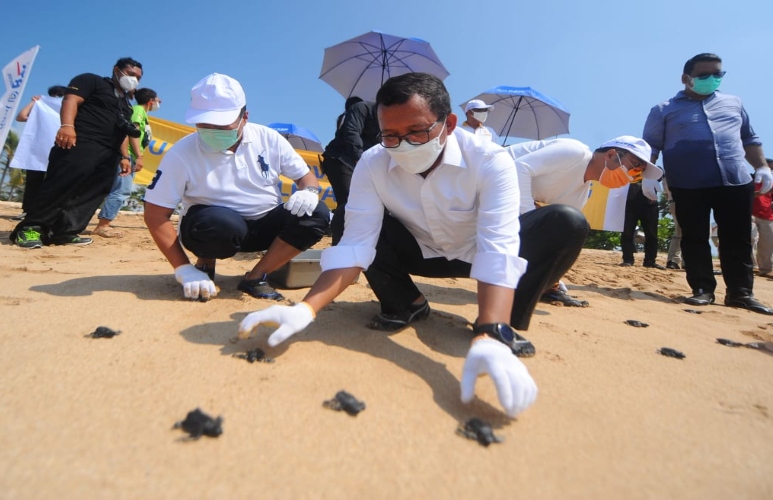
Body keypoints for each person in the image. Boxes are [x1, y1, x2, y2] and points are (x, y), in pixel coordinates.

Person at [238, 73, 590, 418]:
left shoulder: (491, 160)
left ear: (449, 124)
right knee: (346, 219)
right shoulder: (373, 163)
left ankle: (500, 325)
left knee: (566, 222)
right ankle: (407, 304)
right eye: (390, 135)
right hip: (420, 253)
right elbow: (356, 244)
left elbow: (498, 246)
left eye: (417, 132)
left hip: (475, 253)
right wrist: (304, 310)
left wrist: (489, 332)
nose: (403, 145)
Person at [143, 73, 330, 301]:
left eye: (221, 124)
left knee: (317, 212)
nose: (212, 129)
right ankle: (204, 264)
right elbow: (155, 214)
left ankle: (256, 276)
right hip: (213, 230)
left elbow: (306, 177)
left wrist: (309, 191)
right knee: (220, 223)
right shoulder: (182, 153)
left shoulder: (270, 139)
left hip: (265, 227)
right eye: (204, 123)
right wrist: (182, 267)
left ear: (245, 117)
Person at [643, 53, 773, 315]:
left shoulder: (734, 103)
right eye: (704, 76)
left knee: (737, 238)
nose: (712, 79)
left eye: (718, 74)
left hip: (734, 180)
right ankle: (702, 289)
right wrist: (648, 175)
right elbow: (650, 146)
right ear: (686, 78)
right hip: (687, 182)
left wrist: (761, 167)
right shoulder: (663, 110)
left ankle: (741, 293)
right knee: (694, 237)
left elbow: (749, 138)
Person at [506, 136, 665, 306]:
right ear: (611, 155)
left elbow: (553, 237)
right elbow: (517, 168)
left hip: (496, 208)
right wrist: (531, 216)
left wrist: (551, 277)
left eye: (636, 176)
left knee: (569, 224)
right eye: (632, 168)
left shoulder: (579, 197)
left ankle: (546, 287)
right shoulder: (575, 152)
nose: (629, 178)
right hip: (479, 180)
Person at [10, 57, 143, 249]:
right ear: (116, 70)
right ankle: (31, 228)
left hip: (109, 153)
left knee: (92, 192)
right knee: (61, 185)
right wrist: (67, 126)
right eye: (131, 74)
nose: (134, 79)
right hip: (80, 143)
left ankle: (65, 231)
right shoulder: (91, 81)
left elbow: (123, 132)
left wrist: (124, 157)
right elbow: (71, 100)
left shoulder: (125, 103)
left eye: (138, 77)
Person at [90, 88, 160, 238]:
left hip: (127, 155)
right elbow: (130, 133)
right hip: (126, 155)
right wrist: (136, 156)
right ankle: (103, 225)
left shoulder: (141, 113)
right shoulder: (138, 111)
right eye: (157, 100)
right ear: (150, 101)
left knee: (118, 189)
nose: (159, 103)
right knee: (122, 189)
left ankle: (103, 222)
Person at [320, 98, 380, 244]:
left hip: (362, 163)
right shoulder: (361, 108)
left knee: (367, 202)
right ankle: (340, 246)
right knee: (348, 202)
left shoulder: (391, 120)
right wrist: (359, 158)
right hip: (341, 160)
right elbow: (352, 132)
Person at [11, 85, 66, 221]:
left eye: (58, 96)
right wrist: (34, 102)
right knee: (33, 181)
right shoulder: (40, 109)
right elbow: (21, 116)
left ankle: (48, 211)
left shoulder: (67, 111)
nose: (55, 99)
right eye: (52, 96)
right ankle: (28, 211)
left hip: (60, 150)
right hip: (38, 151)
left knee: (55, 182)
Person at [620, 173, 664, 269]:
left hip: (649, 205)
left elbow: (660, 175)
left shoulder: (655, 170)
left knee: (652, 235)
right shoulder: (632, 168)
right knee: (627, 233)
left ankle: (650, 261)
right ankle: (628, 259)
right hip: (630, 203)